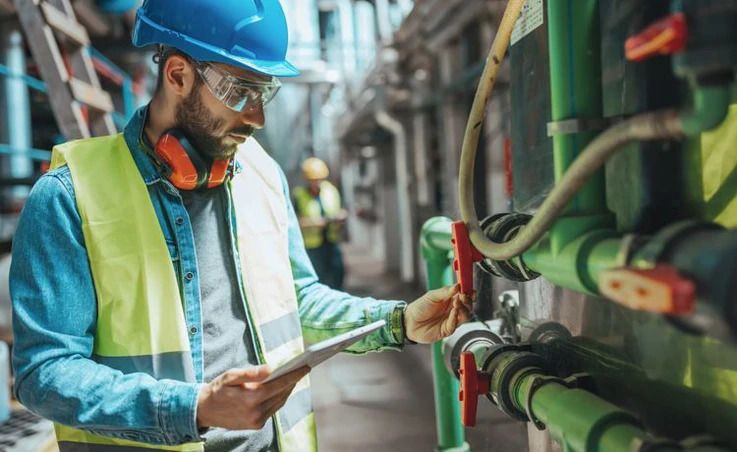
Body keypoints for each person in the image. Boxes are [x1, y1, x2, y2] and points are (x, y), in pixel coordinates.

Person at [9, 1, 474, 451]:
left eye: (265, 92)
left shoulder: (262, 174)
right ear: (177, 75)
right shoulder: (69, 197)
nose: (257, 117)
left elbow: (298, 300)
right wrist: (195, 408)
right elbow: (44, 373)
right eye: (239, 91)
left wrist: (396, 321)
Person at [293, 157, 347, 290]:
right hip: (312, 246)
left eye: (319, 179)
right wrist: (315, 223)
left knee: (338, 273)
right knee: (319, 278)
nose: (316, 183)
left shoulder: (331, 191)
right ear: (307, 179)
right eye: (313, 180)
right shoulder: (299, 195)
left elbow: (342, 209)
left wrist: (341, 216)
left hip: (332, 241)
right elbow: (294, 222)